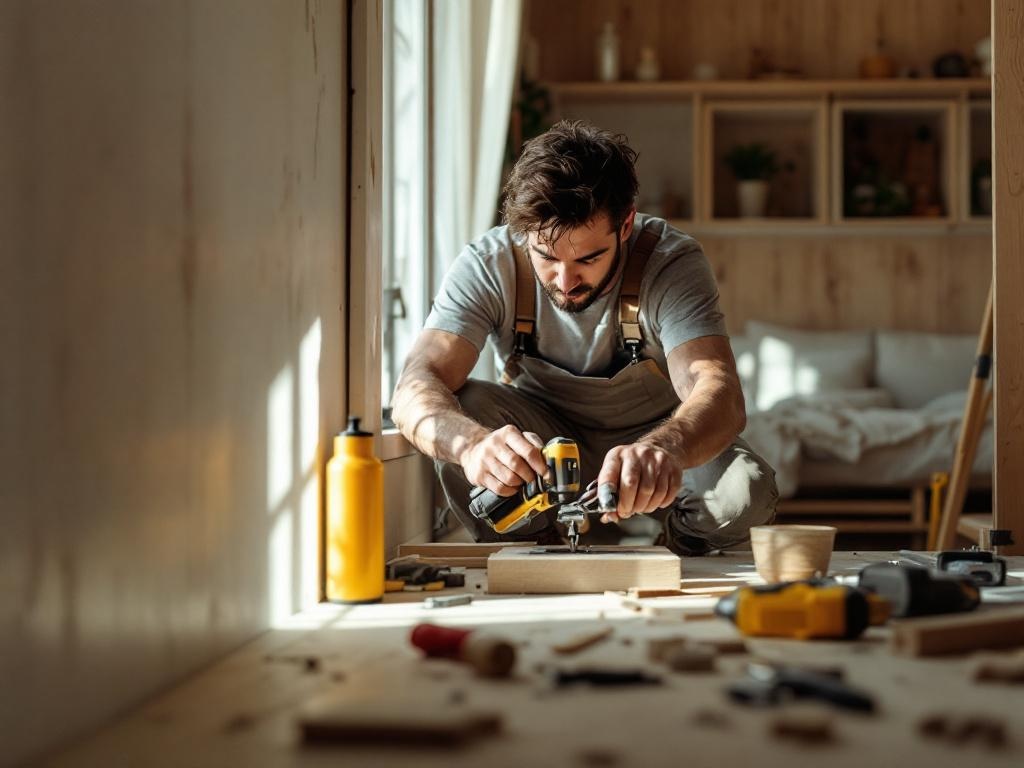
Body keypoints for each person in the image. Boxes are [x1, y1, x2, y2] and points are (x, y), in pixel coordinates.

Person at [391, 120, 777, 555]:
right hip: (544, 445)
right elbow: (415, 384)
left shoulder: (670, 262)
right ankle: (537, 549)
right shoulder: (488, 265)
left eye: (589, 258)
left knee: (745, 491)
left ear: (626, 224)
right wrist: (473, 446)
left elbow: (719, 390)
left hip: (653, 438)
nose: (566, 280)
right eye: (546, 256)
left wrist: (664, 448)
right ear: (523, 233)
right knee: (465, 407)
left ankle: (677, 545)